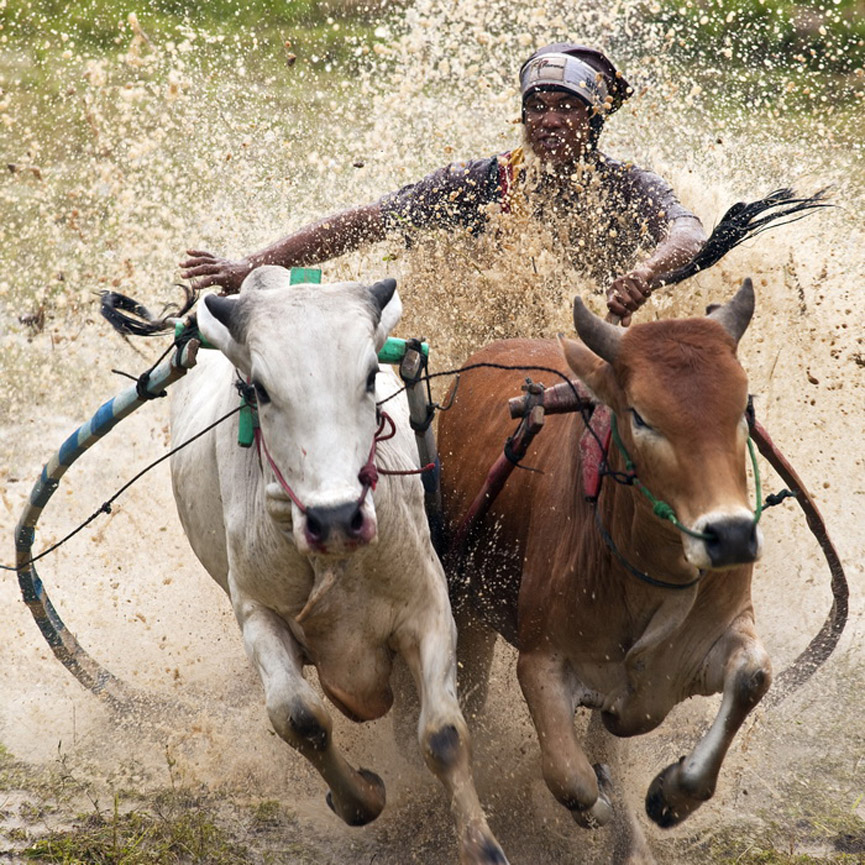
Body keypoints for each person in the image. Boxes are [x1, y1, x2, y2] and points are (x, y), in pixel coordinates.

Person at [180, 43, 706, 325]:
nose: (548, 121)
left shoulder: (626, 186)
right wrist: (250, 266)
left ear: (593, 121)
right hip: (498, 361)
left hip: (604, 346)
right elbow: (369, 222)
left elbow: (688, 235)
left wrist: (645, 274)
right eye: (536, 107)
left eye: (567, 107)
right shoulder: (478, 184)